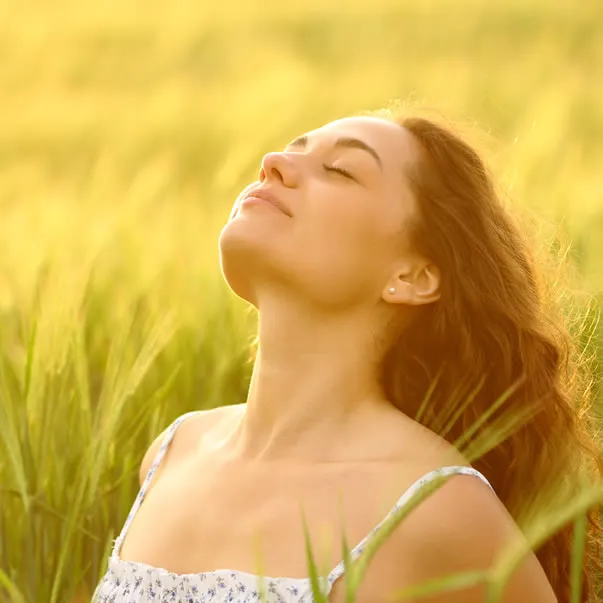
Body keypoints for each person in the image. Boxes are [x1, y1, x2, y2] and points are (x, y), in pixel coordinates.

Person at [92, 111, 602, 603]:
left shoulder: (434, 508)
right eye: (291, 151)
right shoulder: (172, 454)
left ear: (412, 276)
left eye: (338, 170)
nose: (272, 162)